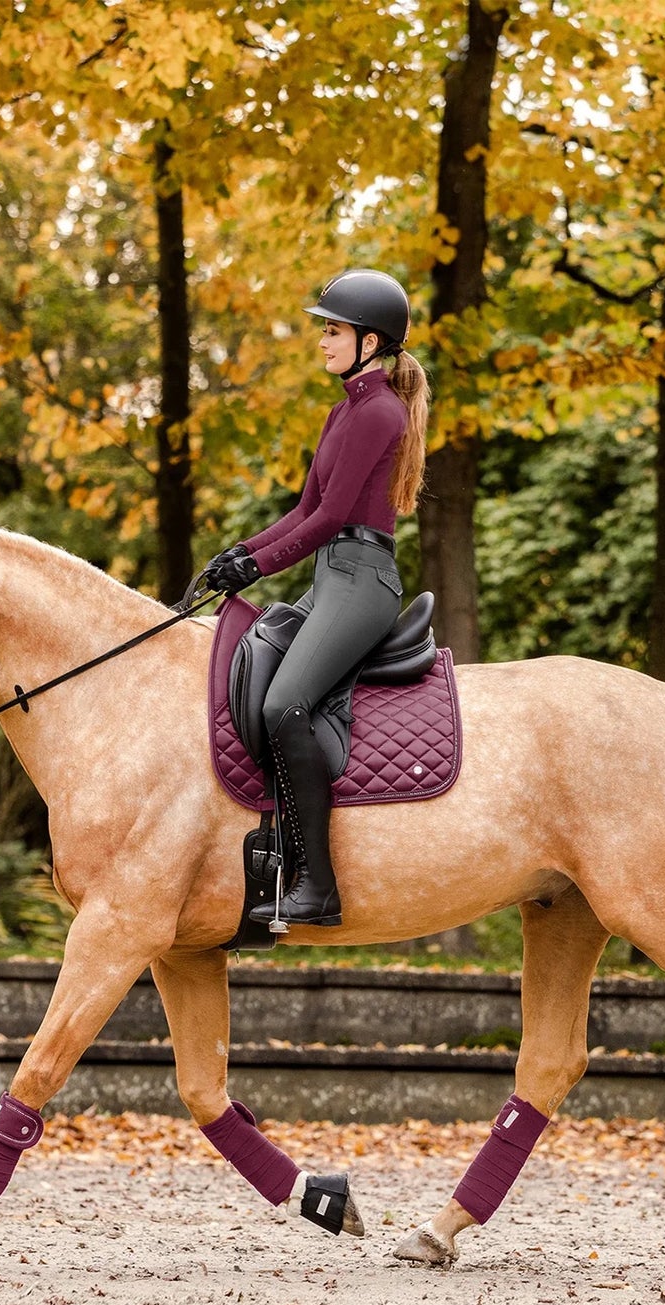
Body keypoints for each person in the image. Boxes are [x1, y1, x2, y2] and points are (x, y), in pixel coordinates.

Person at [199, 268, 430, 928]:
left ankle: (317, 885)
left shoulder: (380, 410)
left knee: (284, 701)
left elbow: (329, 518)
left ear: (369, 340)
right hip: (332, 578)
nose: (321, 341)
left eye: (331, 330)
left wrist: (259, 564)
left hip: (361, 582)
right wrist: (239, 555)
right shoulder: (344, 409)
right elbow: (303, 507)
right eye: (323, 329)